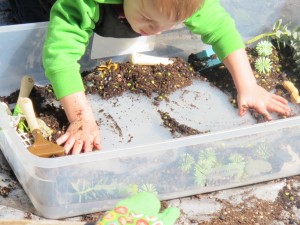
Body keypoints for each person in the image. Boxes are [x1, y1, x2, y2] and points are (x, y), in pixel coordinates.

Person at [9, 0, 291, 155]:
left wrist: (249, 85)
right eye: (146, 17)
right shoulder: (85, 2)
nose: (155, 31)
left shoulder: (183, 3)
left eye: (169, 25)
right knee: (36, 27)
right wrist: (81, 118)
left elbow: (220, 29)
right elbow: (60, 55)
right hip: (40, 4)